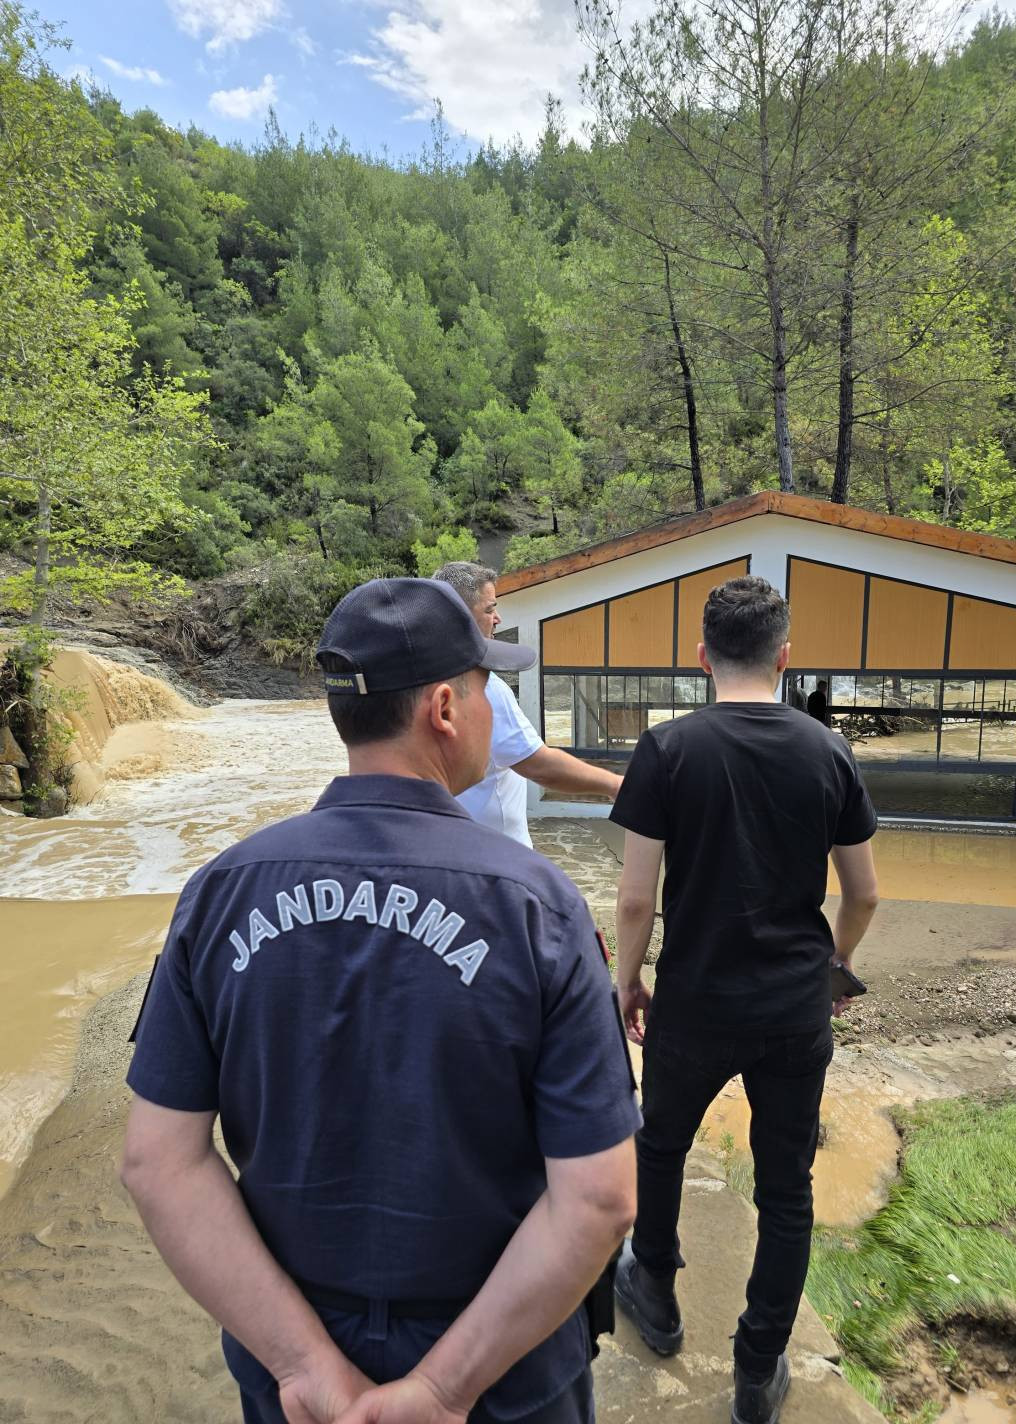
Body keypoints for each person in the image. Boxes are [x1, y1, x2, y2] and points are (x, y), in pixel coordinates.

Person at [121, 577, 640, 1424]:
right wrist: (442, 1391)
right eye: (485, 689)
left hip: (294, 1371)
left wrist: (303, 1366)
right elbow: (600, 1197)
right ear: (444, 706)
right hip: (503, 1376)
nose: (489, 711)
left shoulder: (219, 893)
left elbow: (158, 1162)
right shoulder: (538, 906)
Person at [608, 576, 879, 1424]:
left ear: (702, 659)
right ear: (785, 658)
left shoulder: (668, 749)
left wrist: (628, 978)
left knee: (658, 1148)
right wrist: (832, 966)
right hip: (793, 1009)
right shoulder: (827, 751)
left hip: (694, 1000)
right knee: (785, 1187)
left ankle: (654, 1298)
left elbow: (633, 898)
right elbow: (864, 895)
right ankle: (757, 1372)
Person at [432, 563, 622, 845]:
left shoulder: (416, 676)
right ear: (458, 617)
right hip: (494, 857)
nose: (497, 618)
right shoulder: (484, 687)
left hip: (444, 848)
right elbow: (537, 764)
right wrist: (614, 784)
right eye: (488, 609)